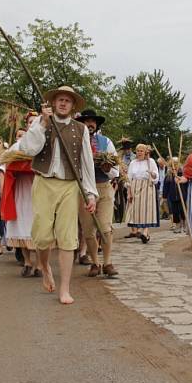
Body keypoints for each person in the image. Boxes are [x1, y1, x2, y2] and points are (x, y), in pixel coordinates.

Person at [19, 85, 97, 305]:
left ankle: (65, 289)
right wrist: (42, 124)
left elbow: (86, 164)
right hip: (44, 182)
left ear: (73, 106)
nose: (63, 103)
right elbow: (28, 149)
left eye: (68, 100)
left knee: (67, 237)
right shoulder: (41, 122)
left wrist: (90, 193)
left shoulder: (80, 129)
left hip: (70, 186)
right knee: (42, 236)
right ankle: (44, 267)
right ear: (53, 102)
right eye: (60, 99)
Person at [76, 108, 120, 277]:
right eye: (87, 121)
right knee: (88, 230)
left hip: (104, 187)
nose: (90, 123)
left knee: (105, 228)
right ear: (82, 123)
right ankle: (95, 262)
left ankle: (108, 263)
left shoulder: (106, 142)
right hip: (84, 190)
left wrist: (107, 168)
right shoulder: (76, 143)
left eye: (93, 121)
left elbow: (116, 171)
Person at [0, 126, 40, 277]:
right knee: (21, 223)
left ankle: (40, 264)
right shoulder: (16, 147)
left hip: (38, 188)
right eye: (29, 123)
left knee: (38, 225)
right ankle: (28, 262)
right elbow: (3, 166)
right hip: (21, 190)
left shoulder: (41, 143)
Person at [125, 143, 159, 243]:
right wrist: (129, 192)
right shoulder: (133, 163)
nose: (139, 152)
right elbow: (129, 178)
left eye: (141, 151)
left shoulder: (151, 162)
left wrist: (152, 174)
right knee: (136, 211)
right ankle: (141, 232)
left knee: (147, 210)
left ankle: (145, 232)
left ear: (145, 152)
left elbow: (156, 177)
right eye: (138, 150)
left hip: (147, 188)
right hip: (135, 188)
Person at [163, 157, 188, 234]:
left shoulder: (182, 173)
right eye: (173, 164)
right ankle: (177, 225)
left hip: (182, 196)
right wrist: (164, 196)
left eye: (176, 164)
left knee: (182, 210)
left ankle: (184, 225)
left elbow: (186, 184)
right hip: (173, 196)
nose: (175, 166)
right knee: (175, 211)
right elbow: (166, 186)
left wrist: (186, 193)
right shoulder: (169, 175)